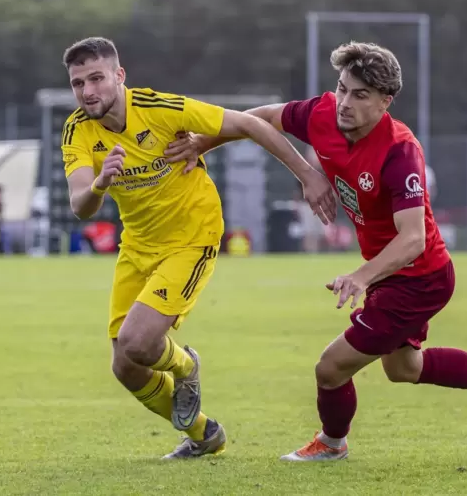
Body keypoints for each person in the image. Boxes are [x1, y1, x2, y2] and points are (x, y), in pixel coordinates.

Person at [165, 41, 467, 461]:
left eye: (359, 95)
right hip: (392, 275)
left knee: (330, 368)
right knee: (405, 368)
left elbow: (413, 240)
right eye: (341, 88)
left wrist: (361, 276)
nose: (344, 103)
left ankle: (332, 444)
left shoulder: (400, 152)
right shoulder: (322, 115)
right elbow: (258, 118)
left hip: (418, 278)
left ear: (385, 102)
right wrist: (200, 144)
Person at [58, 37, 335, 460]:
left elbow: (249, 123)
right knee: (125, 366)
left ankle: (186, 366)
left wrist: (307, 174)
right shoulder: (78, 129)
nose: (88, 91)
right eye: (79, 83)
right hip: (138, 243)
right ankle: (205, 435)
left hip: (193, 235)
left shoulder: (160, 108)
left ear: (119, 76)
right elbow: (81, 204)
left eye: (96, 78)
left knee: (137, 342)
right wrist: (99, 184)